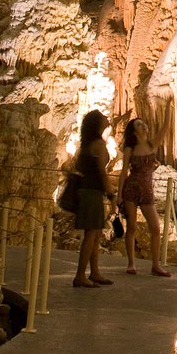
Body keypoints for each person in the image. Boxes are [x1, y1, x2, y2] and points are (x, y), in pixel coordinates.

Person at [117, 116, 171, 277]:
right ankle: (131, 263)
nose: (144, 126)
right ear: (134, 132)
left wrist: (169, 106)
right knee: (132, 227)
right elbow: (124, 171)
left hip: (147, 190)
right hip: (132, 188)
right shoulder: (129, 149)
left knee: (155, 228)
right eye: (139, 125)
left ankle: (156, 265)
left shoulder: (151, 145)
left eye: (143, 123)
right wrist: (119, 195)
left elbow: (165, 127)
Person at [73, 109, 115, 288]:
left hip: (88, 191)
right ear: (98, 123)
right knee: (91, 234)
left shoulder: (87, 144)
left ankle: (94, 272)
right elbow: (102, 173)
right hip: (93, 192)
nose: (108, 118)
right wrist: (111, 195)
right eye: (104, 117)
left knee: (96, 233)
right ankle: (80, 275)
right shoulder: (98, 144)